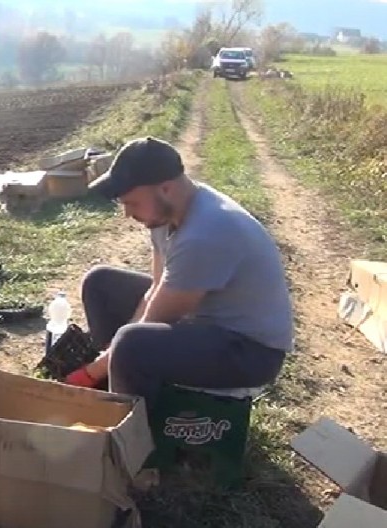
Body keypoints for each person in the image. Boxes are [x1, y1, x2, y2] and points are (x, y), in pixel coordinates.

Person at [65, 136, 293, 412]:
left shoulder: (204, 234)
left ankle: (129, 438)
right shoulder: (166, 213)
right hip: (206, 322)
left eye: (132, 203)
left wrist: (92, 371)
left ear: (166, 188)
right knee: (100, 283)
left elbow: (156, 318)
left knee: (132, 346)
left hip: (249, 351)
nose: (126, 214)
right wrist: (106, 361)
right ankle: (120, 384)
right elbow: (156, 290)